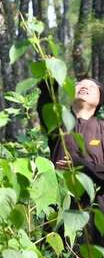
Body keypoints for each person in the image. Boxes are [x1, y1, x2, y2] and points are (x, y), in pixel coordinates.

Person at [38, 75, 104, 249]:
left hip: (97, 214)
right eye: (79, 84)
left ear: (99, 99)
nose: (84, 86)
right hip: (60, 211)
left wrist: (83, 165)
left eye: (91, 86)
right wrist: (49, 79)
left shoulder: (102, 128)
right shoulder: (59, 124)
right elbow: (46, 105)